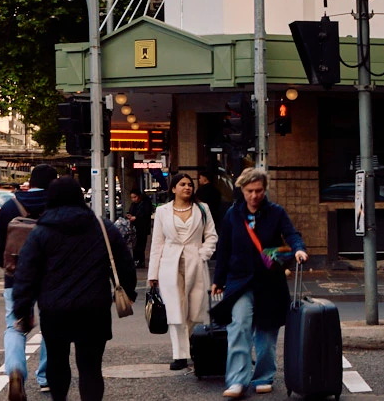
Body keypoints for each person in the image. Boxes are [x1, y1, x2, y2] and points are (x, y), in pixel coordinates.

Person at [10, 177, 136, 401]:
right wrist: (129, 291)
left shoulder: (41, 232)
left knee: (57, 362)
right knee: (90, 367)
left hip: (54, 310)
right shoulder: (102, 227)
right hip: (94, 308)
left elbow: (26, 273)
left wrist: (23, 309)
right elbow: (124, 262)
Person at [208, 167, 307, 399]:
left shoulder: (276, 212)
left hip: (269, 281)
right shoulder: (232, 214)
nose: (254, 195)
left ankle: (263, 376)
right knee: (239, 326)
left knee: (267, 331)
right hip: (239, 280)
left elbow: (291, 234)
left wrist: (299, 249)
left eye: (259, 190)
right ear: (242, 190)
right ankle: (237, 380)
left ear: (265, 189)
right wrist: (218, 280)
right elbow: (224, 249)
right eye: (250, 191)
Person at [0, 164, 57, 400]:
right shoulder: (56, 206)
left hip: (16, 277)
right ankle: (47, 377)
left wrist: (10, 269)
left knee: (14, 326)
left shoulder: (10, 206)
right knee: (51, 326)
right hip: (51, 277)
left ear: (31, 182)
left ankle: (16, 370)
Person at [146, 172, 218, 370]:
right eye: (183, 184)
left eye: (190, 185)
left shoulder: (202, 209)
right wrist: (153, 273)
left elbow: (211, 235)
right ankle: (180, 355)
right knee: (175, 311)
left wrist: (203, 253)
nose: (187, 187)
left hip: (196, 262)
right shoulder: (162, 211)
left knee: (195, 310)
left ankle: (192, 347)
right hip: (170, 265)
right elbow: (157, 243)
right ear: (173, 188)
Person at [126, 188, 154, 266]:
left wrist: (136, 217)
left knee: (141, 244)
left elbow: (146, 214)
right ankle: (137, 260)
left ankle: (140, 261)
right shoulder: (134, 204)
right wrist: (129, 215)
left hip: (142, 227)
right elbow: (131, 211)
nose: (133, 199)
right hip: (135, 227)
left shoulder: (145, 203)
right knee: (135, 244)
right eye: (132, 197)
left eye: (135, 197)